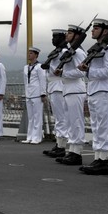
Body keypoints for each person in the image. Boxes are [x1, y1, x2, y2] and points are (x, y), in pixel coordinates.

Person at [79, 19, 108, 176]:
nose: (92, 31)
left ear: (106, 31)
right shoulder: (97, 48)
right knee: (96, 126)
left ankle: (104, 160)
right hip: (95, 90)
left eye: (96, 28)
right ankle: (98, 157)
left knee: (103, 126)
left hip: (104, 90)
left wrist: (88, 71)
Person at [55, 25, 87, 166]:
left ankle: (77, 152)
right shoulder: (70, 51)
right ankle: (72, 150)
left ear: (76, 36)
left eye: (70, 33)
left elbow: (81, 72)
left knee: (76, 122)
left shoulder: (79, 52)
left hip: (76, 88)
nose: (66, 35)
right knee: (70, 122)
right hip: (68, 88)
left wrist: (63, 73)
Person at [42, 29, 69, 158]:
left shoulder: (64, 52)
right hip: (53, 86)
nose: (53, 39)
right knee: (58, 118)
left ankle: (62, 145)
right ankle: (59, 143)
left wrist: (50, 68)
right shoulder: (57, 52)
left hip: (59, 85)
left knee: (61, 118)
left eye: (56, 37)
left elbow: (61, 69)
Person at [22, 47, 47, 144]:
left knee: (37, 117)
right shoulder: (26, 67)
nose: (29, 55)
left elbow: (42, 80)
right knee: (31, 117)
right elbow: (25, 82)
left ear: (36, 55)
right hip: (29, 94)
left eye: (31, 53)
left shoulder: (39, 67)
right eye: (29, 53)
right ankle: (30, 137)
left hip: (37, 94)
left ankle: (37, 137)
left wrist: (43, 93)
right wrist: (25, 93)